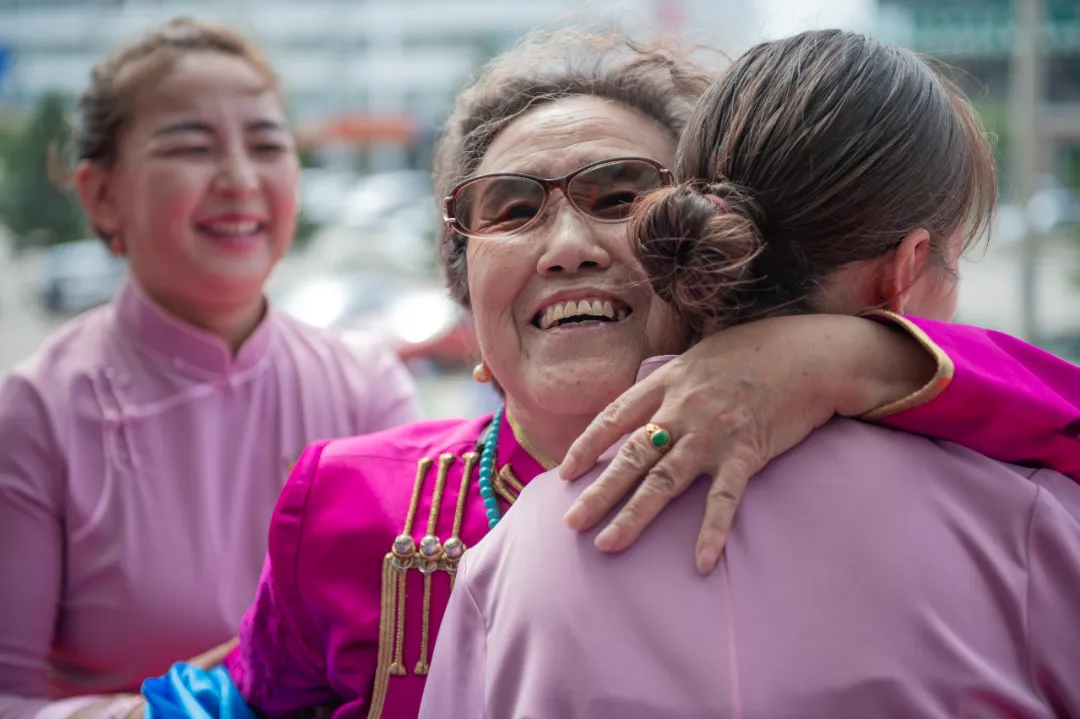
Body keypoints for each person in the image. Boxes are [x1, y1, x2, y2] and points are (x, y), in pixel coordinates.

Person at [140, 28, 1080, 719]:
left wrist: (853, 354)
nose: (567, 246)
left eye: (622, 197)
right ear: (462, 287)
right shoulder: (348, 499)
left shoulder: (958, 465)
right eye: (510, 209)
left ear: (719, 245)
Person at [0, 18, 419, 719]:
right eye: (192, 146)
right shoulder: (37, 411)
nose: (239, 178)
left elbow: (430, 629)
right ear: (102, 195)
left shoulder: (365, 385)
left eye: (267, 144)